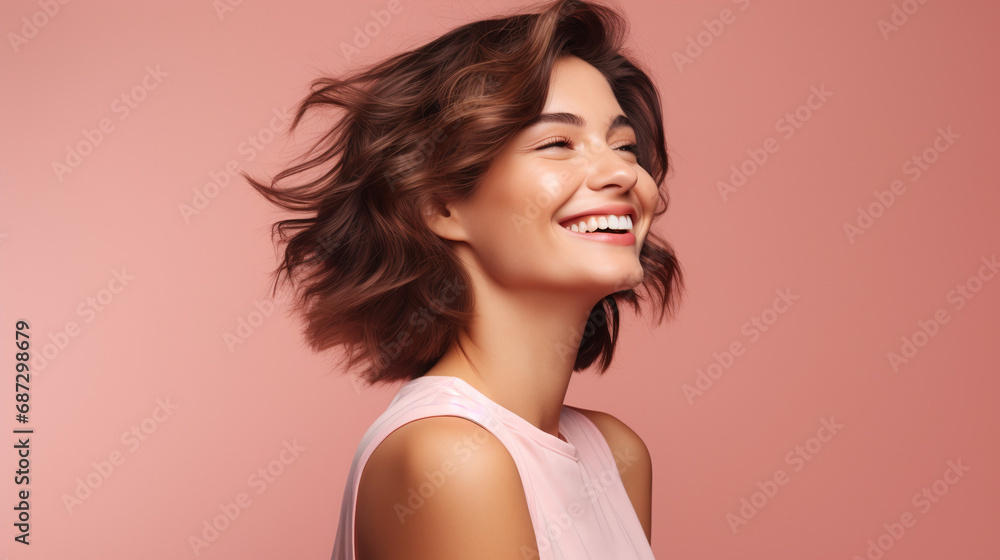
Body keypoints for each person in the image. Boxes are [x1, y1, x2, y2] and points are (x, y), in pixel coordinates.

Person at [244, 0, 683, 557]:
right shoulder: (451, 459)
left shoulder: (616, 455)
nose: (624, 173)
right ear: (441, 203)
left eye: (623, 147)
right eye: (558, 144)